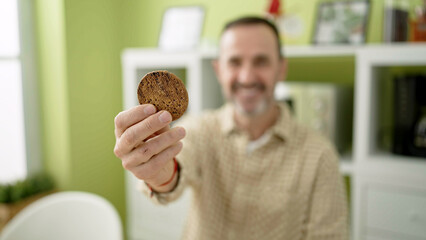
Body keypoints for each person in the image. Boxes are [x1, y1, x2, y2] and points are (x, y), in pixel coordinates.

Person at [114, 16, 348, 240]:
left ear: (281, 69)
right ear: (219, 70)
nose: (246, 77)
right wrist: (161, 174)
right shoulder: (200, 130)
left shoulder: (319, 155)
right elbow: (177, 167)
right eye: (235, 62)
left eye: (261, 61)